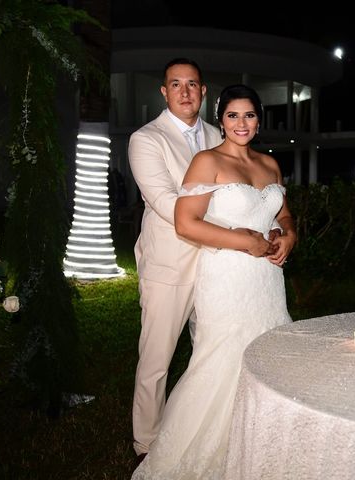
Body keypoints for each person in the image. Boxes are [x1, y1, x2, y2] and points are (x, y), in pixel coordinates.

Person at [132, 84, 295, 479]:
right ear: (220, 119)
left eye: (250, 115)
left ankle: (261, 442)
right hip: (227, 276)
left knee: (268, 356)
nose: (242, 123)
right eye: (233, 115)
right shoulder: (207, 161)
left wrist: (288, 236)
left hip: (268, 281)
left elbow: (284, 215)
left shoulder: (270, 165)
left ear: (259, 120)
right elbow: (186, 222)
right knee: (221, 360)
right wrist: (244, 242)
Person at [128, 58, 223, 458]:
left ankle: (200, 431)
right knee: (156, 360)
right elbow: (166, 202)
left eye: (192, 84)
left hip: (219, 265)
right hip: (170, 263)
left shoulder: (221, 134)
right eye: (175, 84)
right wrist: (230, 232)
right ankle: (147, 444)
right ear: (164, 92)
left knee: (211, 350)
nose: (185, 92)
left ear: (203, 91)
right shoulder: (146, 139)